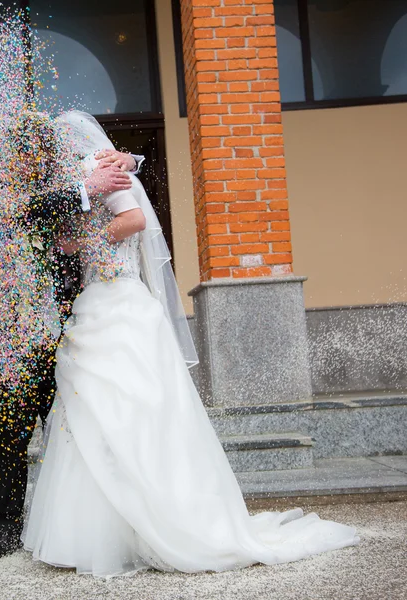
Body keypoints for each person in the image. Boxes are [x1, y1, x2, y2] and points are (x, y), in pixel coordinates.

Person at [22, 112, 359, 577]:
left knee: (132, 408)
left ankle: (155, 519)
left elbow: (135, 217)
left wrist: (88, 244)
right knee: (92, 413)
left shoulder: (99, 166)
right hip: (94, 300)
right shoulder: (81, 177)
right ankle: (101, 531)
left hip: (118, 298)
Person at [0, 112, 144, 559]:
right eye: (24, 151)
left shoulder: (73, 171)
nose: (29, 158)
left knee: (77, 426)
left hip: (80, 321)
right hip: (25, 329)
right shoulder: (11, 189)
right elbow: (21, 217)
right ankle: (7, 526)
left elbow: (126, 185)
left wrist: (132, 159)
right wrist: (84, 190)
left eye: (37, 149)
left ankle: (83, 524)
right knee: (13, 428)